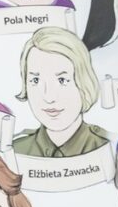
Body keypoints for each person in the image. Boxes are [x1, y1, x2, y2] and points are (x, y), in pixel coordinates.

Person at [12, 27, 109, 158]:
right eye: (35, 80)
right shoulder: (16, 152)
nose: (49, 97)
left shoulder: (106, 148)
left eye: (62, 80)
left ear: (84, 82)